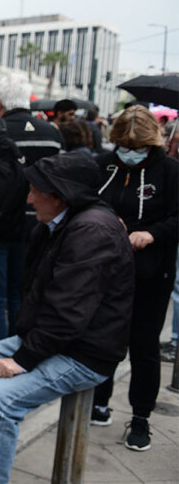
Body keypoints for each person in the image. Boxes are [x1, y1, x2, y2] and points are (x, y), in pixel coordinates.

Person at [0, 152, 135, 482]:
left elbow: (68, 313)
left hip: (84, 352)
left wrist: (23, 358)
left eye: (35, 191)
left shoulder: (91, 232)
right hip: (57, 338)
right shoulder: (63, 223)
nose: (29, 197)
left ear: (59, 196)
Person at [91, 105, 178, 451]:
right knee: (104, 339)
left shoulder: (170, 171)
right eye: (123, 146)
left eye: (137, 147)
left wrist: (151, 234)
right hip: (109, 270)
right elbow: (88, 201)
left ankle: (141, 418)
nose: (130, 153)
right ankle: (99, 401)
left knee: (144, 348)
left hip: (152, 272)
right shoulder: (105, 165)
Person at [0, 73, 63, 344]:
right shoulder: (51, 135)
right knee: (21, 295)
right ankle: (14, 354)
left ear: (0, 102)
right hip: (37, 227)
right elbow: (64, 182)